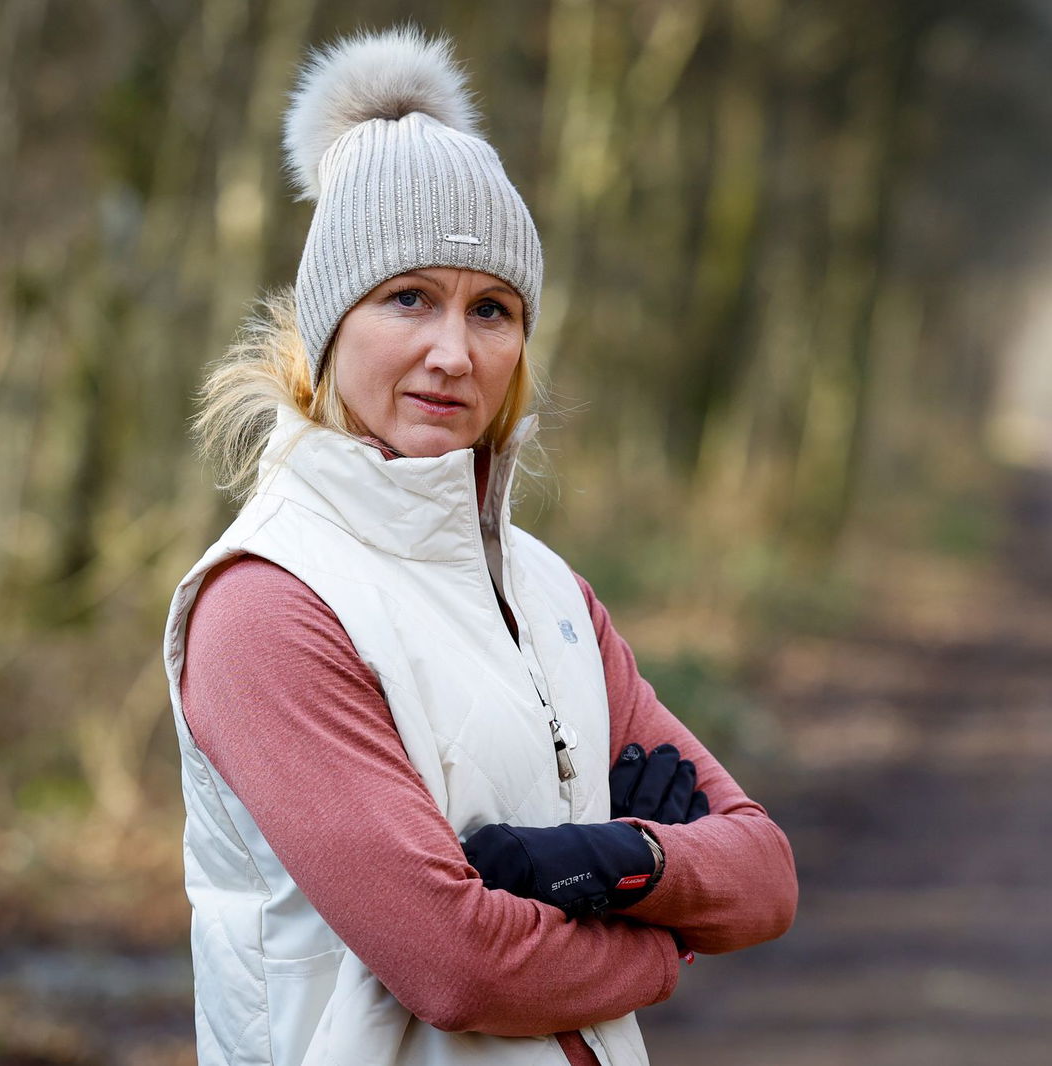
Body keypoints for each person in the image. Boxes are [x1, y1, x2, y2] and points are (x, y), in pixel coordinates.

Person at [162, 27, 797, 1066]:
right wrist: (664, 943)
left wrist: (621, 859)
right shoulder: (268, 605)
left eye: (492, 310)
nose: (453, 353)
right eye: (407, 297)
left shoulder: (548, 596)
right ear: (327, 326)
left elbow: (765, 874)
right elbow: (455, 963)